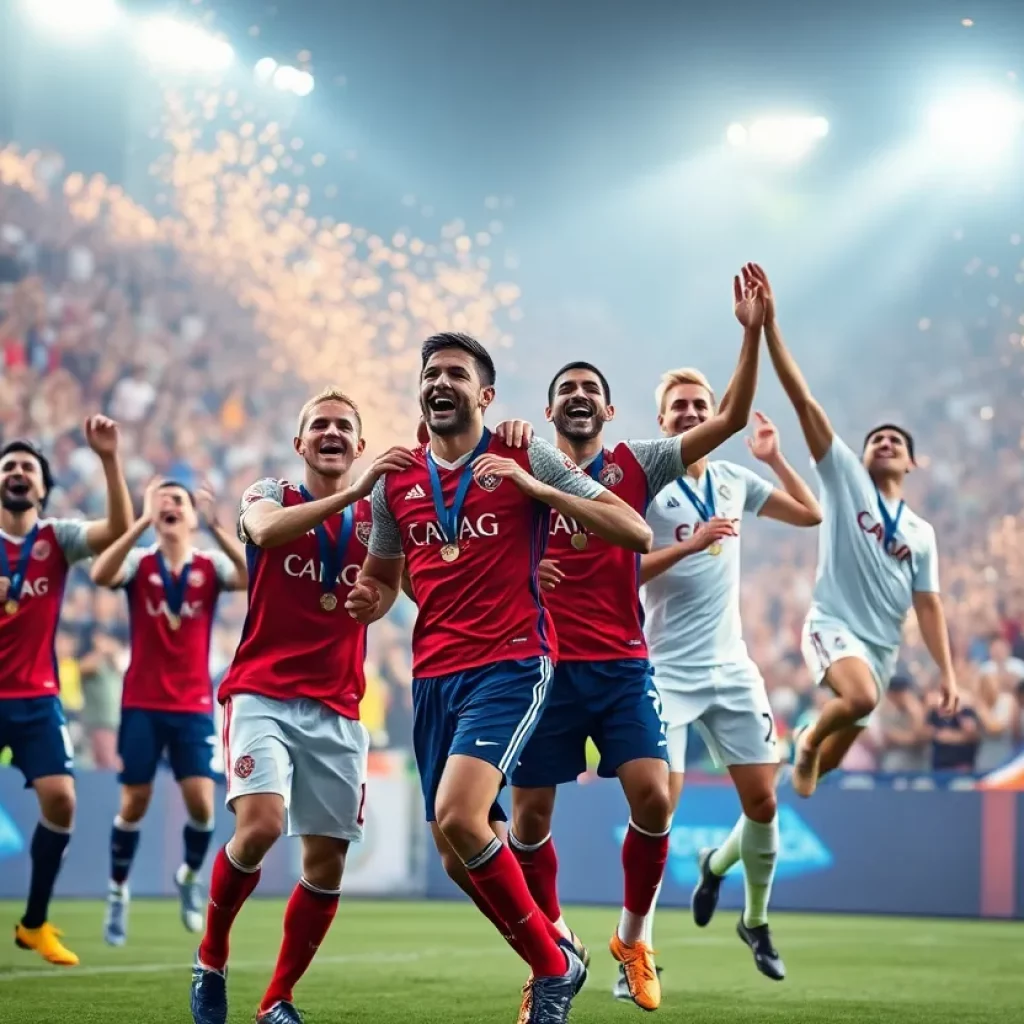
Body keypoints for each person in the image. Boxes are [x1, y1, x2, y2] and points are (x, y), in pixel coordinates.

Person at [349, 331, 652, 1024]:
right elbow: (383, 579)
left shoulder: (523, 453)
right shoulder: (395, 481)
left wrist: (537, 488)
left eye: (457, 373)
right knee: (455, 854)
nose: (441, 382)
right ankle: (559, 950)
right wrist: (370, 597)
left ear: (484, 394)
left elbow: (633, 530)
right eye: (432, 373)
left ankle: (550, 971)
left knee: (462, 816)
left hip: (513, 659)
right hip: (434, 674)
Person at [505, 267, 769, 1014]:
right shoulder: (520, 463)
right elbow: (478, 540)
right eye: (567, 388)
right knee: (529, 821)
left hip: (623, 663)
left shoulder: (639, 463)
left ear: (609, 409)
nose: (579, 395)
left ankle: (631, 940)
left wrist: (751, 334)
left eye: (591, 388)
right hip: (544, 667)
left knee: (654, 799)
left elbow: (730, 419)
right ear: (550, 409)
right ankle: (553, 951)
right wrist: (524, 570)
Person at [189, 388, 413, 1024]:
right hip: (261, 693)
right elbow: (262, 532)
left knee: (326, 865)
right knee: (259, 826)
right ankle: (211, 959)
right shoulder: (269, 494)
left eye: (344, 426)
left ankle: (276, 999)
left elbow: (397, 584)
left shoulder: (379, 518)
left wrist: (377, 600)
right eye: (320, 425)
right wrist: (354, 492)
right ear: (300, 443)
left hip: (338, 705)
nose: (331, 433)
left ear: (359, 444)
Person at [745, 261, 959, 796]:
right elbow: (803, 401)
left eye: (896, 441)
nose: (885, 442)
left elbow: (929, 607)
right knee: (858, 701)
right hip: (832, 624)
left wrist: (948, 673)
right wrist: (770, 326)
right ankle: (807, 738)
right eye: (876, 439)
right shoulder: (845, 478)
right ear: (859, 457)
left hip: (881, 649)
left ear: (912, 463)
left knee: (828, 767)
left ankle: (784, 788)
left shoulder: (922, 532)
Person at [638, 359, 822, 982]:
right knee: (659, 810)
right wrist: (687, 544)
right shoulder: (644, 486)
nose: (691, 414)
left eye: (700, 405)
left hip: (730, 666)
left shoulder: (733, 479)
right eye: (679, 407)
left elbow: (810, 513)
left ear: (716, 414)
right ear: (662, 421)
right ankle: (639, 950)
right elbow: (621, 572)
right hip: (664, 671)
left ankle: (751, 915)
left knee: (764, 801)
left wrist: (773, 458)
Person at [90, 478, 248, 946]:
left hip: (193, 704)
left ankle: (189, 877)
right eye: (161, 501)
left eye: (178, 500)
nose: (168, 505)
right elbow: (101, 574)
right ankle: (117, 891)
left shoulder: (209, 565)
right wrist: (139, 523)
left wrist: (219, 528)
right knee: (134, 803)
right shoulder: (139, 563)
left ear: (192, 516)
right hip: (141, 702)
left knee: (201, 803)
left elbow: (249, 577)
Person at [0, 421, 133, 966]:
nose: (17, 472)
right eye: (8, 466)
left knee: (62, 800)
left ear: (42, 487)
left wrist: (109, 459)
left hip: (36, 698)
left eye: (27, 467)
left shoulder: (56, 538)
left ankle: (34, 924)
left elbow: (119, 528)